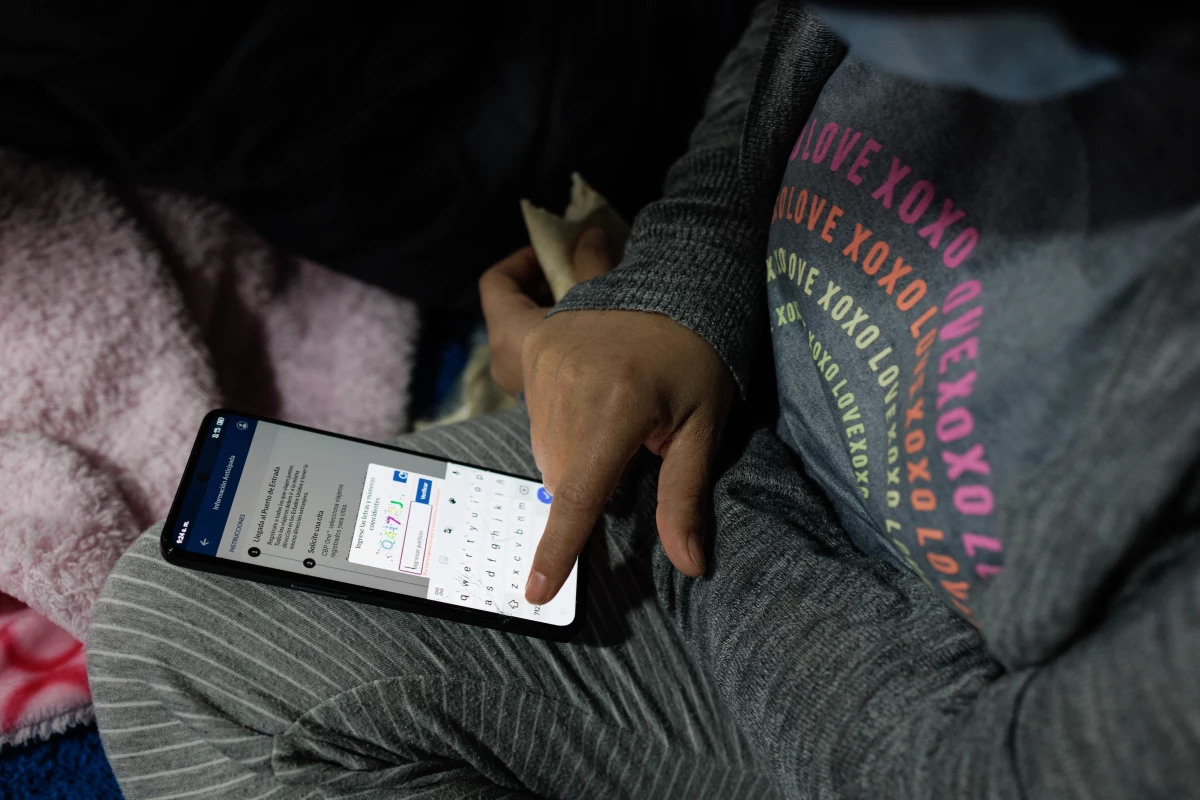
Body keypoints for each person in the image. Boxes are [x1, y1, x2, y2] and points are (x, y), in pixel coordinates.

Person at [88, 2, 1200, 798]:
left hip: (859, 689)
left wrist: (709, 456)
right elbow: (782, 50)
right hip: (711, 444)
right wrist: (674, 288)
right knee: (173, 634)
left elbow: (964, 769)